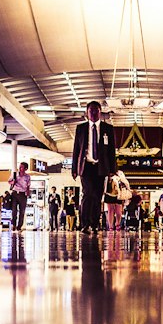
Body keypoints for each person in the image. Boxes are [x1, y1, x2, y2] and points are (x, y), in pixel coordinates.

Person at [70, 100, 119, 234]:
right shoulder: (81, 128)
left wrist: (112, 169)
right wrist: (74, 169)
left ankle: (95, 223)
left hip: (101, 167)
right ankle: (85, 224)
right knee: (87, 193)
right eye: (90, 110)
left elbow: (111, 150)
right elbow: (76, 150)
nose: (93, 113)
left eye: (96, 110)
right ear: (87, 112)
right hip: (86, 166)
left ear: (100, 112)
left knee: (97, 196)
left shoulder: (107, 128)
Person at [106, 166, 132, 234]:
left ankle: (117, 225)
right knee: (111, 211)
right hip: (109, 193)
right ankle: (111, 226)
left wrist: (128, 189)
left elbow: (125, 182)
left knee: (118, 211)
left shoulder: (119, 173)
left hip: (118, 194)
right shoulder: (107, 173)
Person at [7, 161, 31, 230]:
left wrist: (27, 193)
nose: (20, 168)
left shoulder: (27, 176)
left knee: (22, 211)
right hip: (15, 193)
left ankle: (19, 226)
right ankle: (13, 224)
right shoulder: (15, 174)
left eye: (22, 167)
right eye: (19, 167)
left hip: (23, 194)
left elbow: (28, 185)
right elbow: (9, 181)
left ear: (26, 169)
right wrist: (12, 182)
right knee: (14, 210)